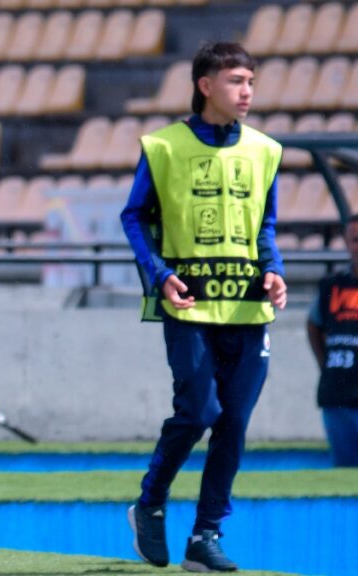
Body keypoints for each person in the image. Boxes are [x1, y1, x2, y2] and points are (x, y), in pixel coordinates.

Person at [120, 42, 288, 573]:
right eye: (237, 80)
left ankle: (205, 535)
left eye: (252, 82)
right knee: (199, 412)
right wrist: (160, 275)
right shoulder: (163, 146)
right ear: (205, 85)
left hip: (248, 309)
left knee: (233, 423)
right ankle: (149, 503)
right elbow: (135, 217)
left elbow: (265, 227)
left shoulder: (265, 150)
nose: (247, 92)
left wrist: (275, 269)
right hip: (188, 304)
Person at [307, 214, 358, 467]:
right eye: (355, 240)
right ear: (347, 243)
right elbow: (313, 323)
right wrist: (324, 363)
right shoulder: (332, 285)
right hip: (338, 393)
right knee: (344, 473)